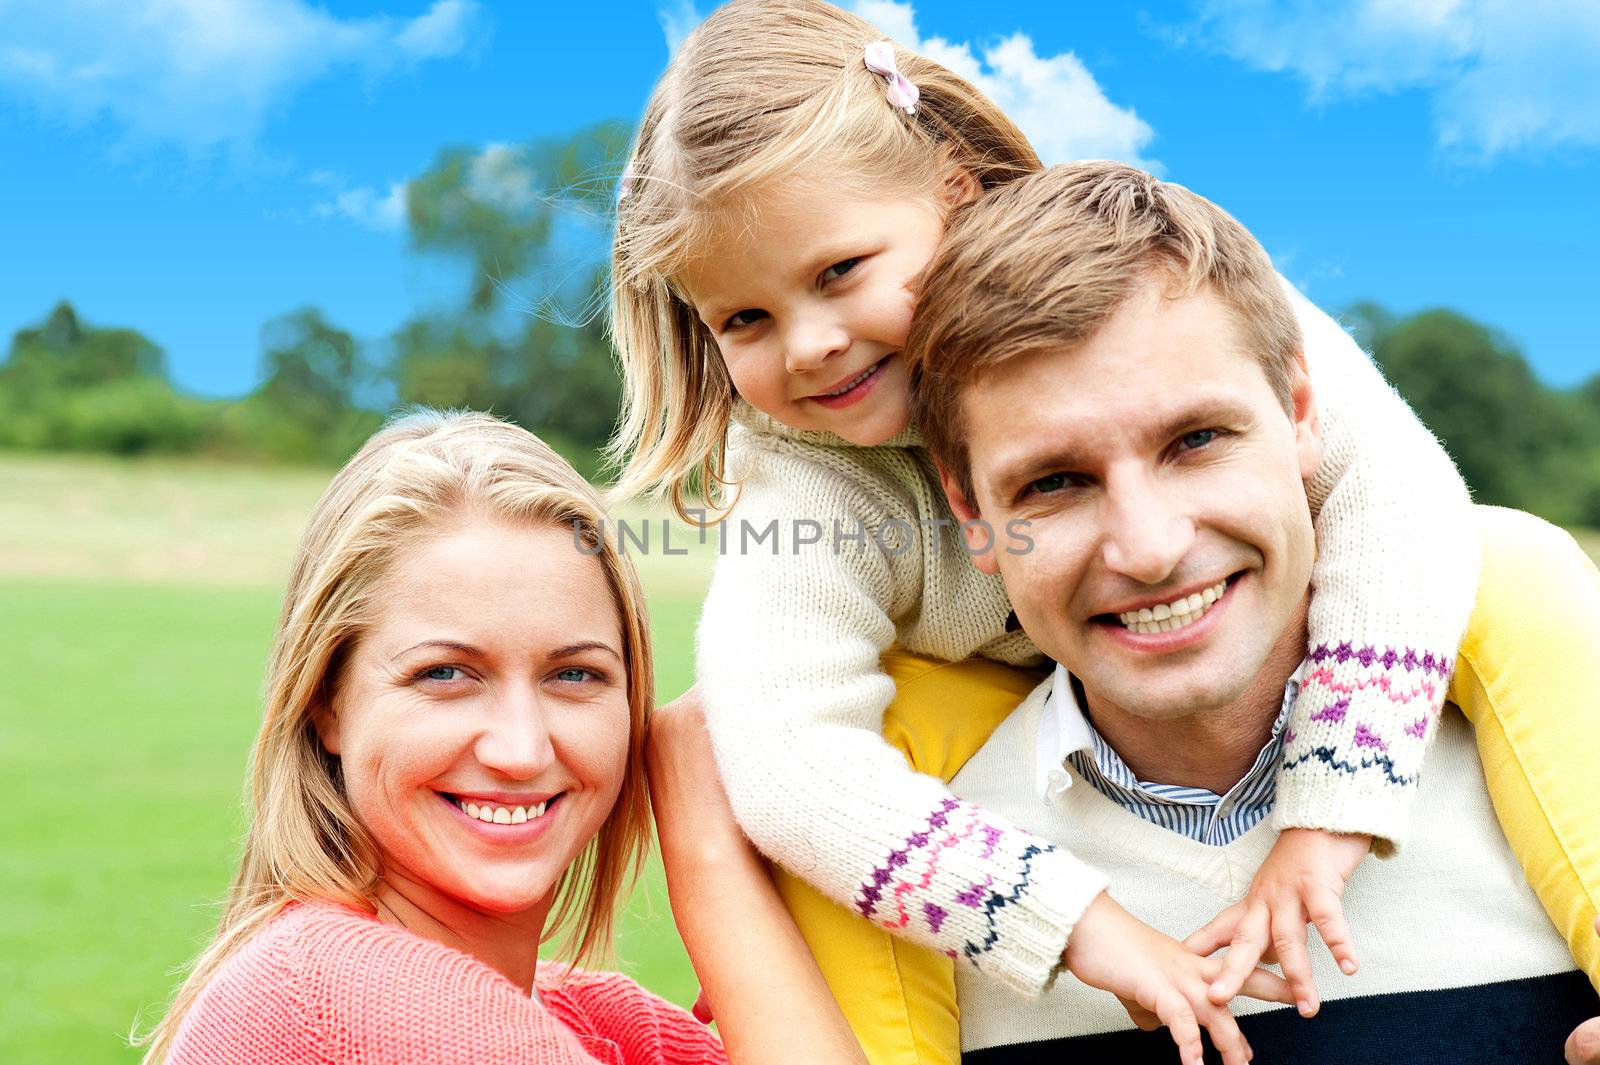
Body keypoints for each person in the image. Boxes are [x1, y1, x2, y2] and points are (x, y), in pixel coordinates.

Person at [606, 1, 1598, 1062]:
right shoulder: (800, 483)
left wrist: (1329, 808)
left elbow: (1393, 489)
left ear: (953, 187)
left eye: (839, 272)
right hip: (1006, 712)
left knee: (1510, 566)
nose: (808, 347)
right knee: (843, 758)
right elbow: (786, 758)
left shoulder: (1155, 281)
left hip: (1265, 651)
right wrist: (1076, 922)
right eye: (742, 320)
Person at [902, 159, 1600, 1061]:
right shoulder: (929, 878)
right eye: (1056, 481)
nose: (1147, 547)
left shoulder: (1557, 769)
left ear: (1302, 413)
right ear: (972, 515)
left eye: (1194, 440)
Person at [138, 411, 867, 1065]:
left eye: (575, 675)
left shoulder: (604, 1024)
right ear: (327, 702)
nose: (521, 750)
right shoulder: (341, 992)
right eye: (446, 672)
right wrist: (711, 865)